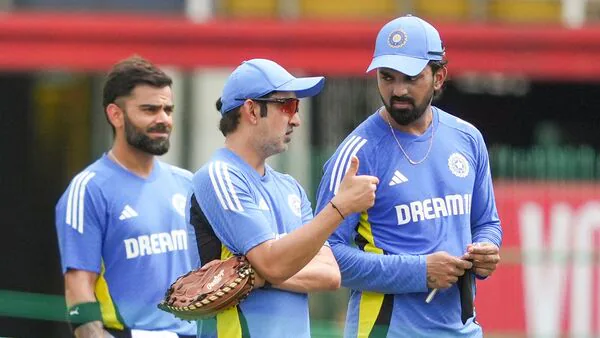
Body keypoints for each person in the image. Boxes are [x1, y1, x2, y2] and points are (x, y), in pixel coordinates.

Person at [315, 15, 503, 337]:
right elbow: (323, 255)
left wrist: (485, 249)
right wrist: (419, 272)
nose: (397, 90)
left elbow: (487, 222)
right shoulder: (357, 154)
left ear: (439, 77)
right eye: (387, 77)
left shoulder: (467, 138)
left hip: (464, 330)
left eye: (411, 78)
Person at [188, 58, 378, 338]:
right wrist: (339, 207)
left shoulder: (290, 187)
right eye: (287, 105)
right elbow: (274, 264)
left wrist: (255, 274)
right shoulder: (219, 176)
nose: (297, 119)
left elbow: (329, 274)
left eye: (297, 107)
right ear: (252, 110)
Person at [55, 56, 197, 338]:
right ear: (115, 114)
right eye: (150, 109)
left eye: (168, 109)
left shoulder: (188, 184)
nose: (164, 120)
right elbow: (78, 288)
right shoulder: (88, 190)